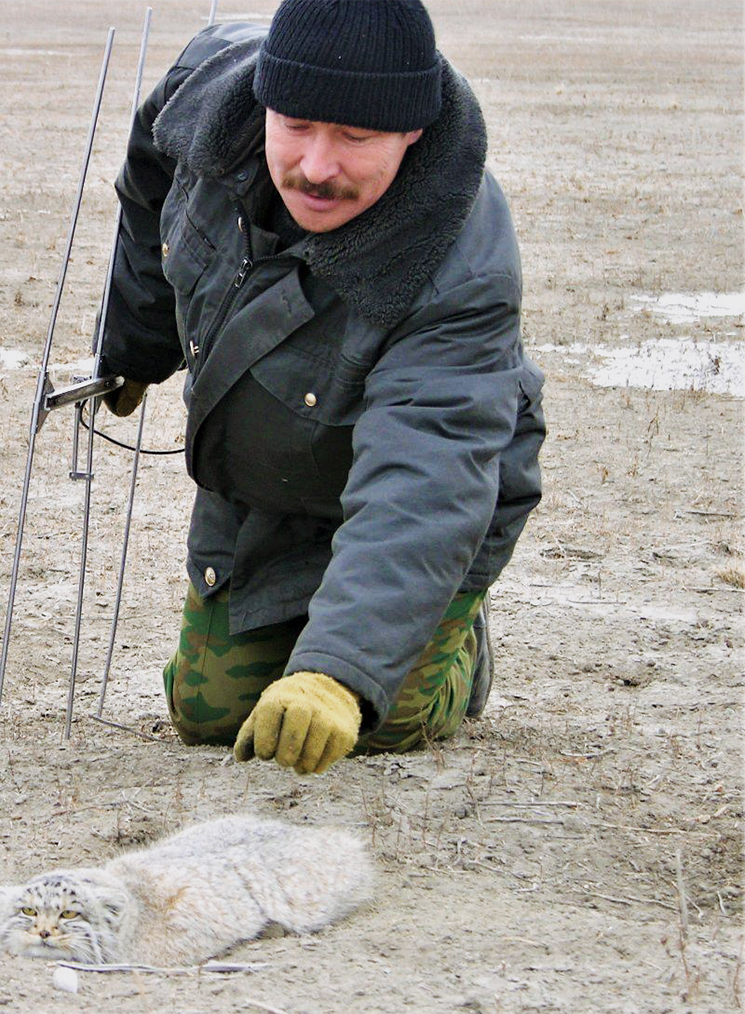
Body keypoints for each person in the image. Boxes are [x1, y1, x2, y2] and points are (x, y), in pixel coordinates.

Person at [99, 0, 544, 775]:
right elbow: (151, 169)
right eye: (297, 125)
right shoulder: (213, 92)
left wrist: (338, 672)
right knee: (214, 717)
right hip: (263, 478)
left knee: (365, 720)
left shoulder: (461, 263)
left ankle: (452, 648)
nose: (316, 166)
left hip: (412, 494)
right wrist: (139, 342)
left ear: (411, 129)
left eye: (356, 138)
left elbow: (426, 471)